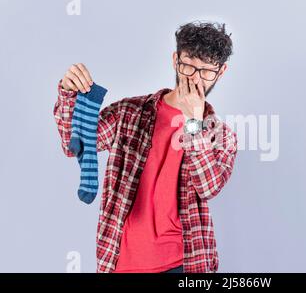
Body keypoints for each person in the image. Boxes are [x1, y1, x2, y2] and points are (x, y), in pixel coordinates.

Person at [53, 21, 237, 273]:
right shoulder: (130, 112)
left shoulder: (222, 135)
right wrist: (67, 94)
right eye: (189, 66)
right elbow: (75, 145)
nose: (195, 78)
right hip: (122, 261)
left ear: (221, 72)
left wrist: (194, 122)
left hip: (183, 264)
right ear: (175, 60)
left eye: (206, 71)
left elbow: (208, 187)